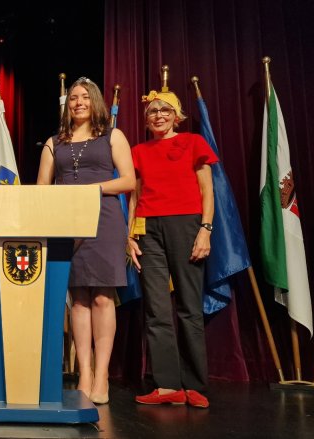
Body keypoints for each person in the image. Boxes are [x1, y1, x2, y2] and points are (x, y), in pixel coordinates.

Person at [37, 77, 135, 404]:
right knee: (78, 299)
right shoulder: (54, 142)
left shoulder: (112, 135)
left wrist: (93, 189)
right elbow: (41, 190)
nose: (78, 102)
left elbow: (128, 180)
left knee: (103, 298)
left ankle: (103, 375)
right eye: (74, 98)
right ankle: (85, 373)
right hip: (67, 223)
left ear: (95, 102)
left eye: (84, 97)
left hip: (104, 220)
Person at [127, 89, 216, 409]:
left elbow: (208, 190)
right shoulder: (138, 151)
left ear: (176, 115)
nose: (158, 115)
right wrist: (130, 235)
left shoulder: (193, 142)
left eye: (165, 110)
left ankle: (194, 385)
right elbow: (135, 197)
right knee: (156, 309)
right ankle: (167, 386)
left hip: (187, 226)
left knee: (190, 307)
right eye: (152, 111)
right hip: (149, 229)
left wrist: (205, 230)